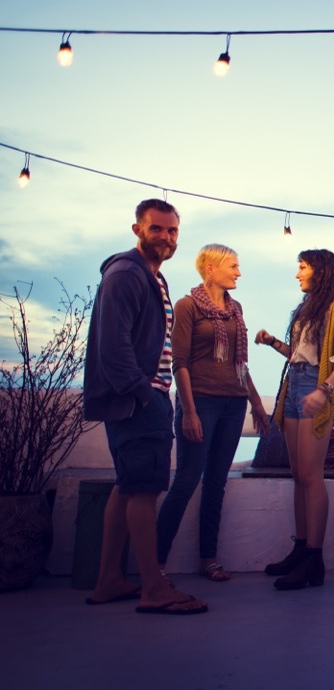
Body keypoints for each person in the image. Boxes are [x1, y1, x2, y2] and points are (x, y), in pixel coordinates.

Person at [82, 198, 207, 615]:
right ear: (137, 229)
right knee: (146, 489)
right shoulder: (125, 275)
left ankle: (109, 581)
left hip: (142, 396)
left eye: (172, 231)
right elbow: (113, 346)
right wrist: (143, 395)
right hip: (139, 399)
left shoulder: (154, 278)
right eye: (157, 229)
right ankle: (152, 587)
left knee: (128, 486)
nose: (166, 238)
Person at [156, 244, 271, 582]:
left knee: (217, 483)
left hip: (233, 404)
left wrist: (256, 403)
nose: (238, 272)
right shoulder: (187, 306)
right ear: (209, 268)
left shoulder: (235, 309)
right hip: (201, 402)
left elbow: (240, 363)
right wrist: (188, 411)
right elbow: (180, 363)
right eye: (233, 266)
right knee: (187, 480)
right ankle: (156, 565)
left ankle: (209, 558)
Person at [254, 249, 334, 591]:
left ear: (321, 270)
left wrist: (324, 391)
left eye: (302, 267)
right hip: (296, 382)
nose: (297, 274)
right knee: (298, 475)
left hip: (317, 385)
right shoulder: (306, 307)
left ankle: (315, 558)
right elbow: (300, 354)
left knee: (312, 476)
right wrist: (272, 343)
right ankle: (300, 550)